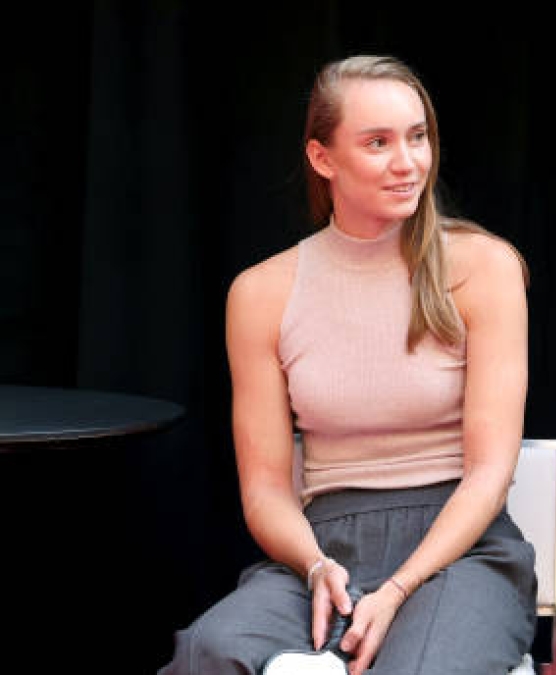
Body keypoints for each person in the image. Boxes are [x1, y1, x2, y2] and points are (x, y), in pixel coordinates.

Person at [160, 55, 536, 675]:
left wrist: (397, 589)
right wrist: (313, 565)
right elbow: (265, 488)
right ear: (322, 158)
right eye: (378, 143)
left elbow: (489, 472)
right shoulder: (262, 293)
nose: (407, 162)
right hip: (323, 545)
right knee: (209, 653)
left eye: (418, 137)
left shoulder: (483, 267)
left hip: (460, 552)